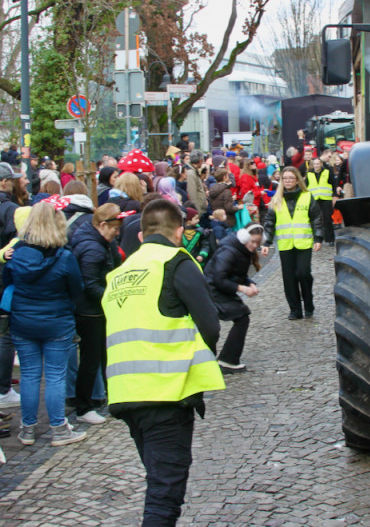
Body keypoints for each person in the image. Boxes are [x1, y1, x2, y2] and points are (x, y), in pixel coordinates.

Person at [102, 199, 225, 526]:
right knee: (164, 491)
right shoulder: (176, 262)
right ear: (180, 233)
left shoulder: (118, 274)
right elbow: (210, 325)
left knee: (158, 478)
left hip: (125, 394)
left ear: (141, 236)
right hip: (167, 392)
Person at [3, 202, 87, 447]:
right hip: (57, 321)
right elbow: (77, 289)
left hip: (23, 320)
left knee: (29, 375)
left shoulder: (16, 253)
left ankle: (27, 429)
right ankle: (58, 429)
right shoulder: (64, 257)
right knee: (55, 376)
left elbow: (8, 282)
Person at [69, 203, 122, 426]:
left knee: (100, 357)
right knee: (91, 360)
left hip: (94, 309)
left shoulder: (100, 243)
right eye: (115, 228)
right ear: (102, 225)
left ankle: (108, 398)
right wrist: (113, 300)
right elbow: (90, 284)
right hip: (90, 312)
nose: (117, 233)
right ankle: (84, 406)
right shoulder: (93, 248)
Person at [261, 167, 324, 319]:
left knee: (303, 273)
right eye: (285, 178)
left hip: (304, 243)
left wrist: (318, 238)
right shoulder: (276, 199)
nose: (288, 181)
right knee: (289, 278)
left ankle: (308, 304)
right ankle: (295, 310)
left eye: (291, 178)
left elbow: (316, 218)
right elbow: (269, 222)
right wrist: (266, 242)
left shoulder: (307, 196)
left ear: (297, 180)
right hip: (285, 244)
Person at [205, 224, 262, 371]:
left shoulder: (241, 248)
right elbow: (219, 278)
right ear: (244, 237)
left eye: (258, 243)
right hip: (213, 290)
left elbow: (237, 273)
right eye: (253, 242)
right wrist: (243, 288)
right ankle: (227, 360)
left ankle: (225, 359)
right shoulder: (229, 251)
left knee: (240, 318)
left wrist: (250, 283)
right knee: (241, 317)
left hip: (218, 289)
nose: (255, 246)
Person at [305, 158, 335, 245]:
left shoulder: (327, 172)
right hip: (314, 199)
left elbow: (333, 184)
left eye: (318, 164)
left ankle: (330, 239)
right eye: (315, 164)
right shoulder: (309, 174)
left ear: (321, 164)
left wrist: (335, 195)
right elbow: (305, 187)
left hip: (326, 198)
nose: (316, 166)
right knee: (316, 220)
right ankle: (317, 239)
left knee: (327, 219)